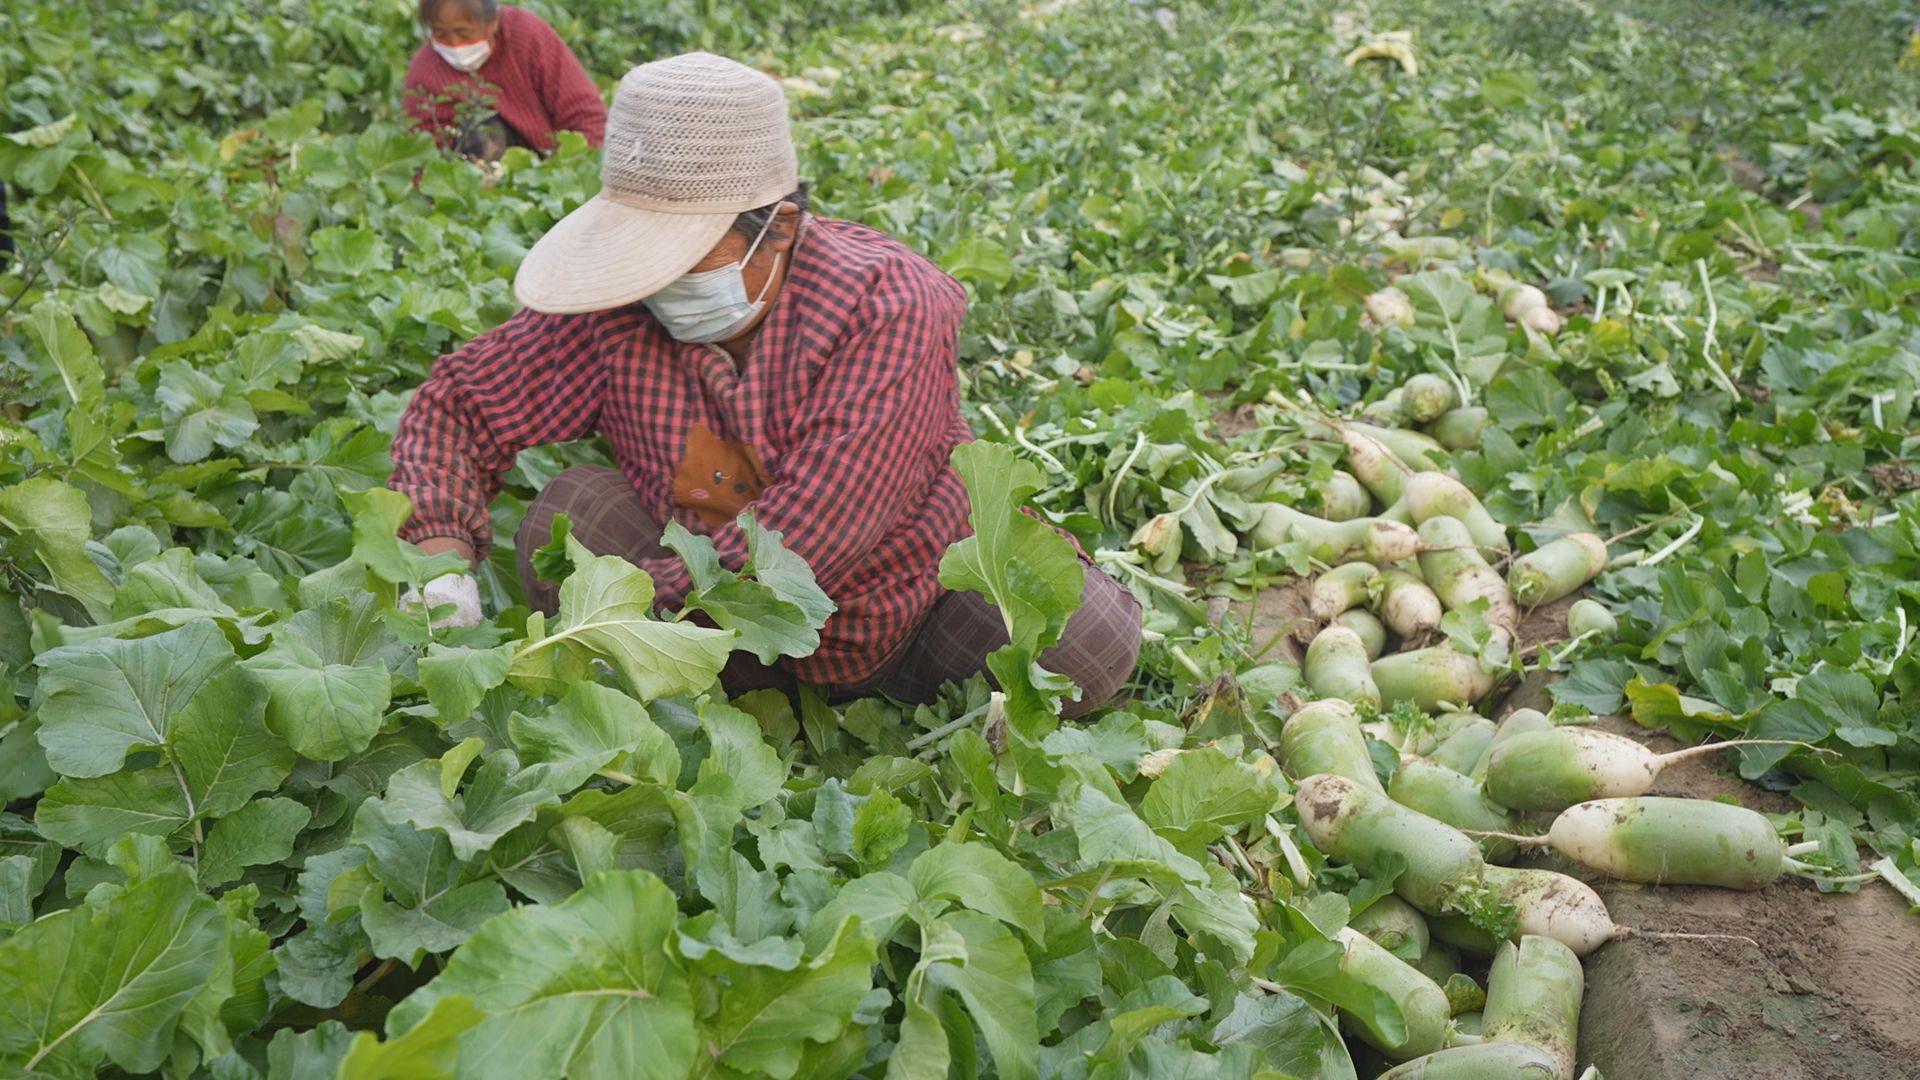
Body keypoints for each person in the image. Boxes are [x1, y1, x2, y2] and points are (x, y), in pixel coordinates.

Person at [390, 52, 1141, 717]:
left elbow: (807, 545)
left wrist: (615, 619)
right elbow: (459, 402)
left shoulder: (890, 307)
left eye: (683, 256)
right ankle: (736, 684)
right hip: (707, 605)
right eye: (646, 255)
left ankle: (812, 687)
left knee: (1086, 644)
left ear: (776, 229)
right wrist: (437, 553)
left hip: (905, 604)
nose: (662, 280)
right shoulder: (621, 308)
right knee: (573, 512)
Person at [403, 0, 607, 159]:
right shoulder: (426, 71)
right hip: (477, 180)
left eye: (464, 34)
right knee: (483, 128)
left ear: (492, 23)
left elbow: (586, 113)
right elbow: (423, 151)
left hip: (550, 161)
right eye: (441, 34)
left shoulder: (527, 36)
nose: (455, 44)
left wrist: (572, 165)